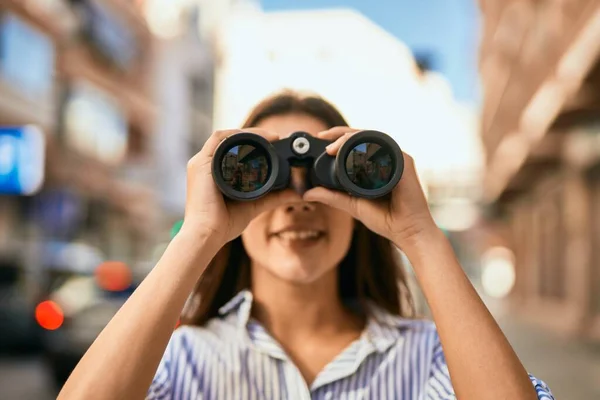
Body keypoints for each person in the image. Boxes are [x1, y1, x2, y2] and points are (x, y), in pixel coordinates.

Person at [57, 92, 555, 400]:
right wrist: (197, 235)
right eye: (262, 176)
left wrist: (420, 236)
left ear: (359, 203)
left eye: (327, 177)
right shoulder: (181, 357)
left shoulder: (430, 358)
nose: (297, 201)